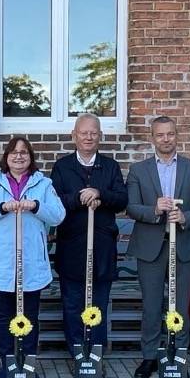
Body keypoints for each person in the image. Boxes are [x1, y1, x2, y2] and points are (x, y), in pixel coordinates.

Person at [0, 137, 65, 378]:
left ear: (30, 157)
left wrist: (36, 205)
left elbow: (58, 215)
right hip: (1, 263)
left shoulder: (43, 184)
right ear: (6, 156)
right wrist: (2, 207)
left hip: (31, 262)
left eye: (24, 152)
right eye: (14, 152)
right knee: (4, 317)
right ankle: (7, 364)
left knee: (29, 317)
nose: (19, 156)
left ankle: (28, 364)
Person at [126, 116, 190, 378]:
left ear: (177, 135)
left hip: (183, 245)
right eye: (160, 134)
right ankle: (149, 356)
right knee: (151, 306)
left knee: (180, 305)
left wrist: (186, 217)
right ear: (152, 137)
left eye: (170, 134)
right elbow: (131, 207)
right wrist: (154, 209)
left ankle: (178, 356)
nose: (166, 139)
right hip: (150, 247)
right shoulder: (138, 170)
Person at [50, 113, 128, 359]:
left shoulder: (110, 166)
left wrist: (99, 193)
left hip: (102, 248)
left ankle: (95, 356)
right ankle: (77, 355)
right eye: (83, 133)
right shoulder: (62, 167)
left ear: (100, 136)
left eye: (93, 133)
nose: (88, 137)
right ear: (74, 135)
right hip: (71, 247)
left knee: (98, 304)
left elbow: (122, 200)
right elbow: (54, 203)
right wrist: (79, 197)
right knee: (73, 304)